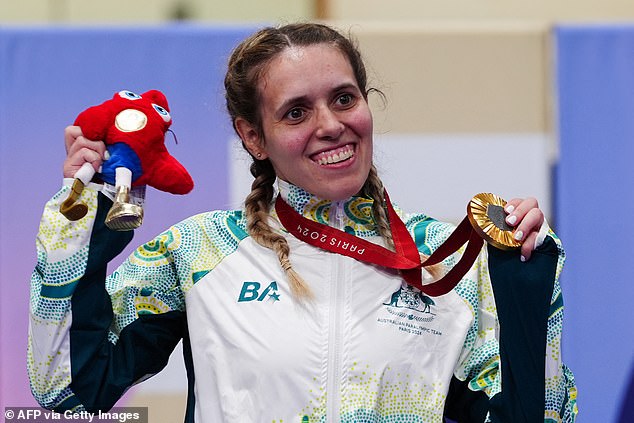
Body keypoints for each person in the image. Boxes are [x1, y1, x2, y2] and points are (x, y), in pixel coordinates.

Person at [28, 23, 577, 422]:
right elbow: (69, 390)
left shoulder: (446, 260)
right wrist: (82, 214)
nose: (331, 125)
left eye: (344, 99)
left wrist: (529, 285)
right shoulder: (198, 251)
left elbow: (538, 418)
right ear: (252, 136)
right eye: (296, 111)